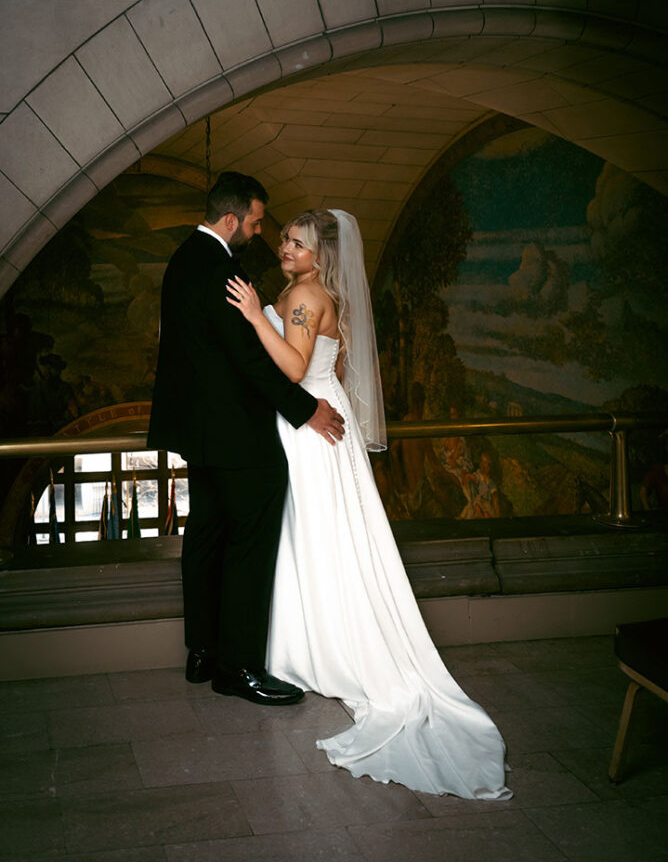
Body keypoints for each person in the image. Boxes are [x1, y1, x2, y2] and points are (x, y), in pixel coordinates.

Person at [226, 208, 512, 799]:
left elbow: (296, 366)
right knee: (323, 536)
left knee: (317, 535)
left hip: (311, 427)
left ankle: (321, 649)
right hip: (318, 419)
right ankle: (307, 643)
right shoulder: (310, 290)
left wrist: (257, 317)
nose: (285, 246)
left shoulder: (305, 294)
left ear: (320, 256)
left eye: (297, 243)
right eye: (284, 238)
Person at [148, 173, 344, 707]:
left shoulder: (183, 259)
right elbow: (250, 360)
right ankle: (238, 668)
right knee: (249, 547)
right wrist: (306, 412)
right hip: (239, 436)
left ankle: (202, 653)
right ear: (232, 219)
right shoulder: (223, 270)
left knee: (205, 537)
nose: (261, 234)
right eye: (257, 222)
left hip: (200, 434)